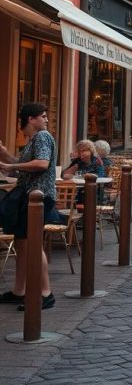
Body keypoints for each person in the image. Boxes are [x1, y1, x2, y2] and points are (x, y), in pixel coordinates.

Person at [0, 103, 58, 309]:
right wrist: (4, 154)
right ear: (31, 119)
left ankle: (45, 293)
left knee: (32, 243)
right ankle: (20, 291)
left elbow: (41, 163)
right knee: (22, 243)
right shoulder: (33, 139)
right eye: (43, 116)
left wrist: (11, 165)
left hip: (38, 197)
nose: (47, 120)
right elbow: (23, 167)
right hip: (31, 197)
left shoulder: (42, 136)